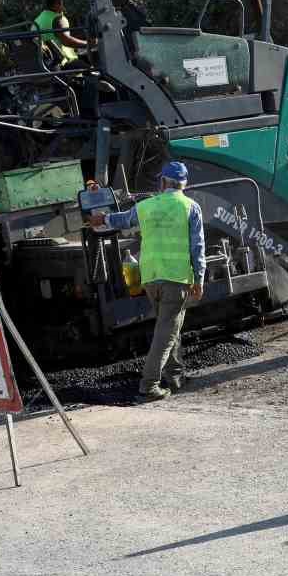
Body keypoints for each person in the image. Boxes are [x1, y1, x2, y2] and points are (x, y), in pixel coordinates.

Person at [89, 161, 205, 401]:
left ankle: (175, 376)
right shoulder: (190, 207)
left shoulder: (146, 206)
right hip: (177, 277)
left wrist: (103, 219)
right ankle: (149, 385)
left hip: (151, 278)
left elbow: (123, 220)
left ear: (163, 182)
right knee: (167, 331)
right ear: (185, 184)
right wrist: (200, 278)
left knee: (168, 327)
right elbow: (198, 247)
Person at [35, 0, 87, 71]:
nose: (63, 6)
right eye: (61, 3)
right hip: (63, 63)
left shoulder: (37, 21)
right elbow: (67, 41)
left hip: (44, 66)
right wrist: (88, 44)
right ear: (57, 3)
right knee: (93, 70)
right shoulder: (58, 19)